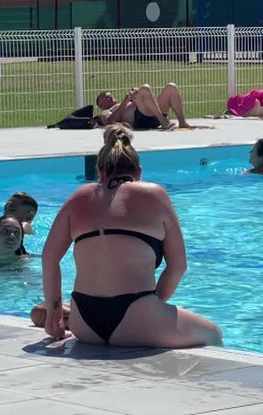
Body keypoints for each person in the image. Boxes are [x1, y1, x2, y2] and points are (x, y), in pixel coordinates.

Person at [41, 124, 222, 348]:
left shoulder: (78, 197)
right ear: (139, 171)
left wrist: (55, 317)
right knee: (213, 334)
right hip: (138, 318)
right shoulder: (154, 194)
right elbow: (178, 266)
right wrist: (153, 305)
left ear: (100, 171)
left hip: (84, 323)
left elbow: (49, 258)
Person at [96, 83, 190, 130]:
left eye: (110, 95)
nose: (110, 97)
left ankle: (182, 122)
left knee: (171, 87)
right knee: (145, 88)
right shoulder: (106, 111)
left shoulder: (123, 103)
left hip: (151, 113)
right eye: (106, 97)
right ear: (101, 105)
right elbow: (109, 122)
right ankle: (163, 120)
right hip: (139, 120)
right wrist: (125, 101)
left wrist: (136, 95)